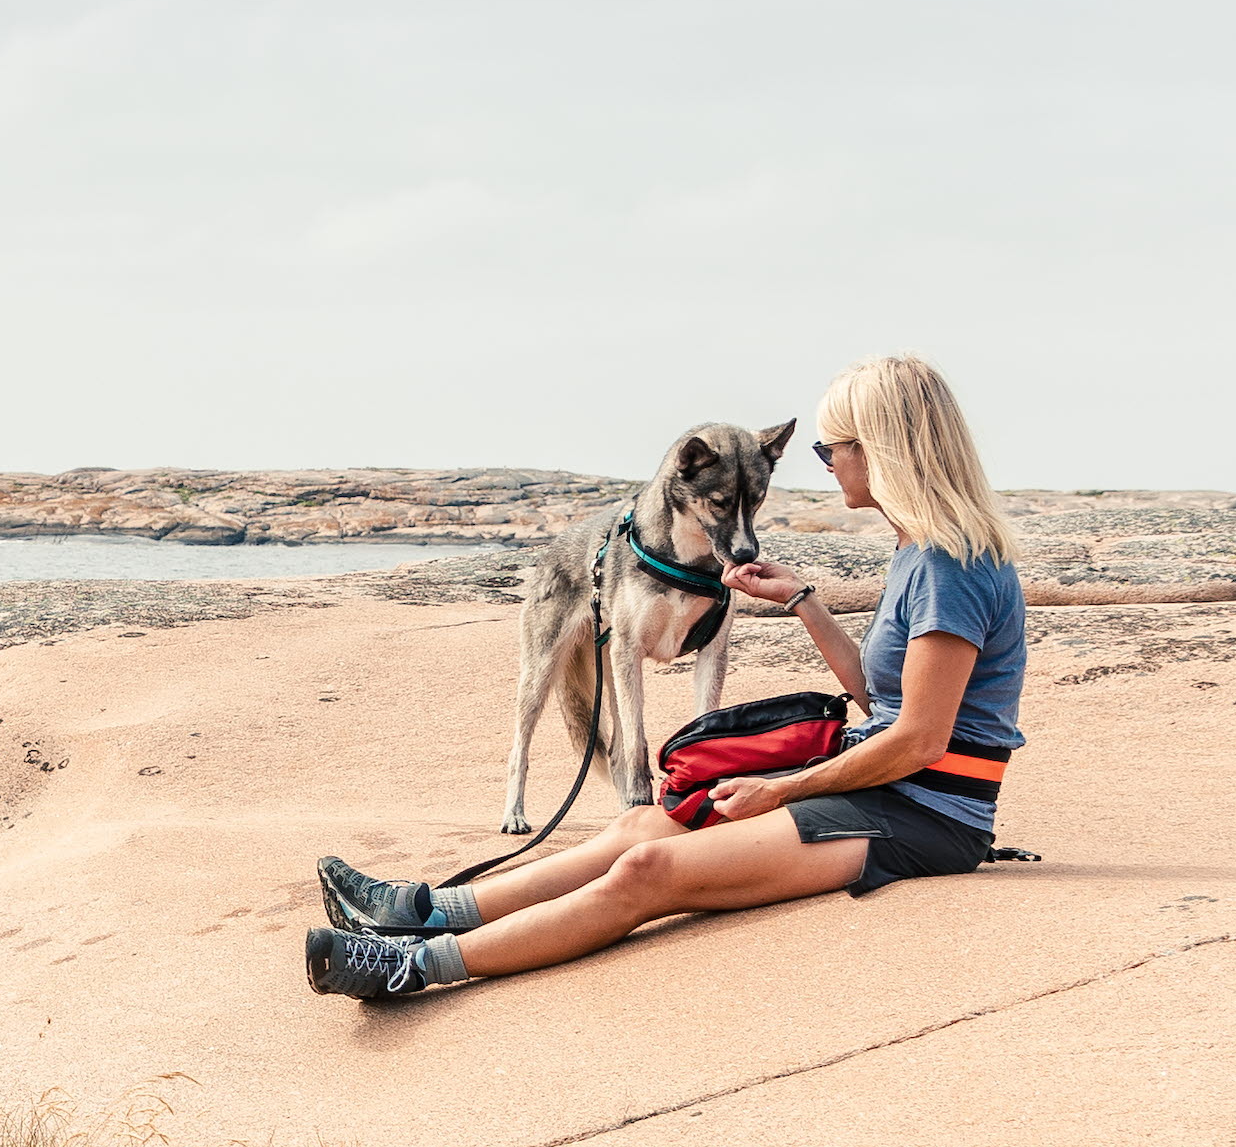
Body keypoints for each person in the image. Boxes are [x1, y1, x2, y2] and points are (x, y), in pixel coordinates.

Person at [303, 351, 1027, 1000]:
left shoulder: (946, 566)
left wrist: (782, 788)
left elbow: (919, 739)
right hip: (884, 791)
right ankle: (418, 910)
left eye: (831, 447)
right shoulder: (920, 552)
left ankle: (410, 966)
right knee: (643, 823)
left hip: (924, 817)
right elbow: (882, 699)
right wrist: (802, 600)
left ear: (883, 451)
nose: (826, 462)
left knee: (648, 871)